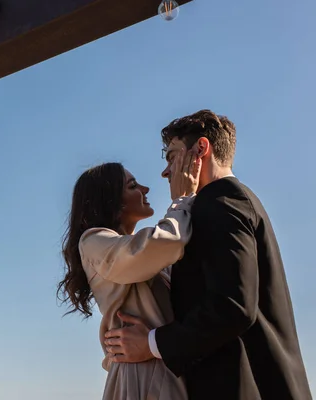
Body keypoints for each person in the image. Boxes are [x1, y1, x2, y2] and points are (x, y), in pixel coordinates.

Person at [104, 110, 312, 399]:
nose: (166, 171)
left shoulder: (219, 203)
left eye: (172, 155)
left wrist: (152, 343)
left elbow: (233, 306)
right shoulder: (237, 200)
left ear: (200, 149)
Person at [58, 151, 201, 400]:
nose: (145, 189)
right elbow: (168, 242)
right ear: (112, 201)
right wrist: (182, 199)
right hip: (141, 375)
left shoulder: (134, 250)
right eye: (133, 186)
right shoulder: (93, 242)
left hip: (156, 364)